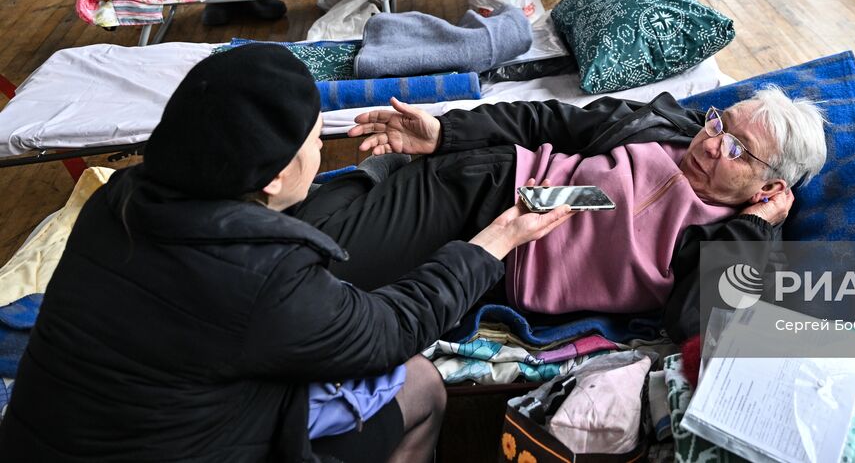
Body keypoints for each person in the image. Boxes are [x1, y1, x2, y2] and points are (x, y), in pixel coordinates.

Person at [0, 45, 572, 462]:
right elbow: (388, 331)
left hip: (44, 441)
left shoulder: (117, 200)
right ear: (274, 177)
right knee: (418, 382)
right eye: (316, 140)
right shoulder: (264, 273)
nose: (324, 147)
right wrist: (494, 242)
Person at [333, 85, 829, 340]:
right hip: (483, 187)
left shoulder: (728, 238)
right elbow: (549, 119)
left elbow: (695, 322)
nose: (713, 143)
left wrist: (754, 225)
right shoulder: (667, 124)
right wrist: (446, 132)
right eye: (720, 124)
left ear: (771, 186)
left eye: (739, 150)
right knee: (325, 263)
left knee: (329, 274)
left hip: (499, 264)